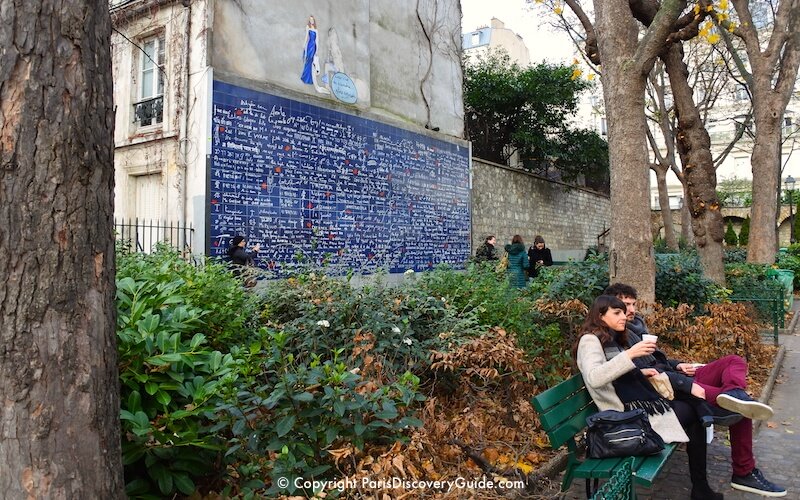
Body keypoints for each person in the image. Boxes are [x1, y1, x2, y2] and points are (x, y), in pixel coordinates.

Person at [604, 283, 787, 497]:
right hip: (667, 388)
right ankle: (744, 471)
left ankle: (733, 392)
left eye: (633, 304)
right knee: (744, 410)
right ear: (609, 309)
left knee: (733, 362)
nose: (632, 310)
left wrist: (678, 364)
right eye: (625, 306)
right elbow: (642, 374)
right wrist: (687, 385)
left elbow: (656, 360)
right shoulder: (614, 336)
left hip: (676, 376)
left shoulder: (636, 326)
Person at [575, 295, 722, 500]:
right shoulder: (589, 340)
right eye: (616, 313)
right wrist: (630, 355)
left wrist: (639, 372)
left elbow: (614, 374)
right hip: (622, 419)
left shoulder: (609, 338)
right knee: (692, 413)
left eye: (623, 313)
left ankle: (701, 487)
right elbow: (594, 377)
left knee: (690, 409)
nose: (624, 317)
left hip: (633, 409)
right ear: (600, 315)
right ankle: (701, 487)